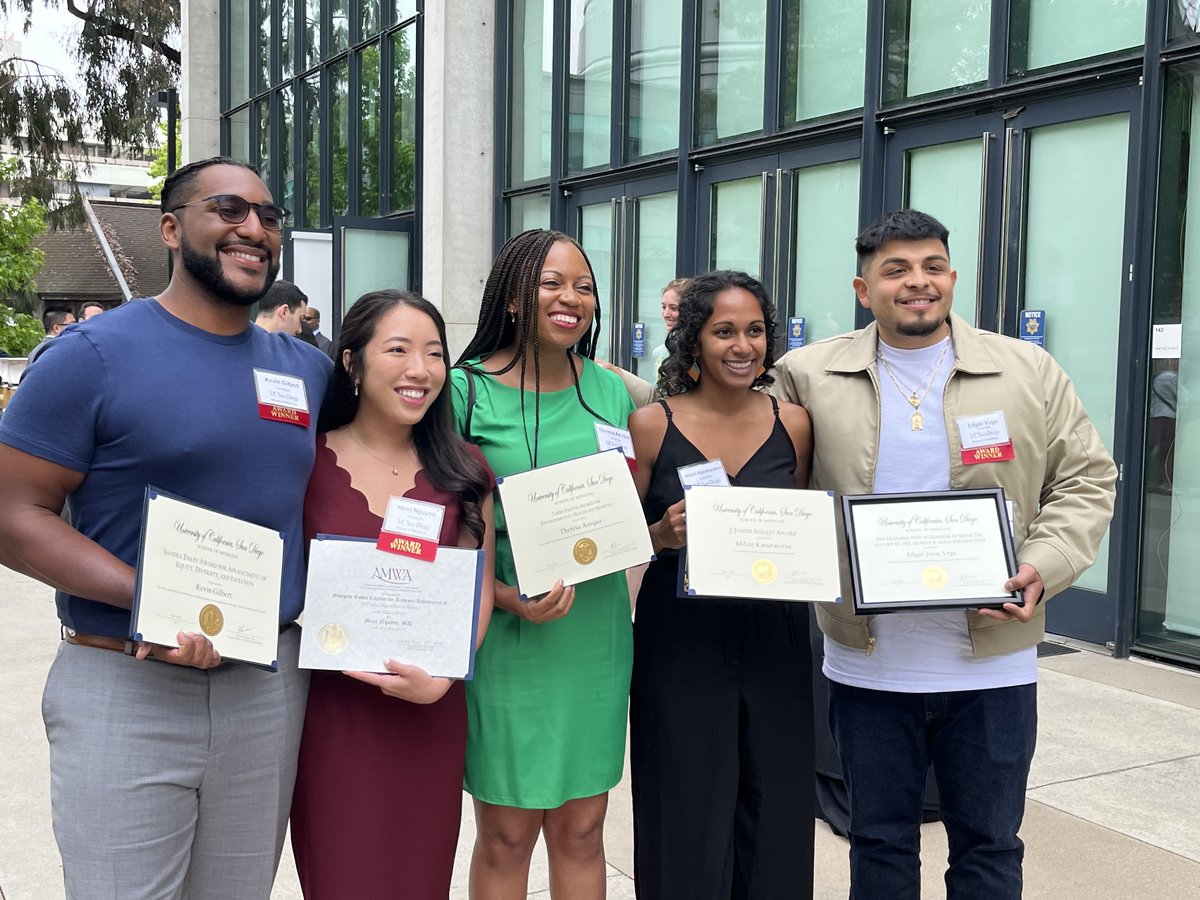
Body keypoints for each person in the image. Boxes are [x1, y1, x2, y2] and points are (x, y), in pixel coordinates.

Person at [0, 156, 331, 899]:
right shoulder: (90, 357)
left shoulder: (306, 372)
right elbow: (12, 516)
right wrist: (151, 598)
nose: (254, 229)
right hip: (126, 680)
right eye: (229, 210)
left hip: (264, 689)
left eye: (269, 217)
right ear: (172, 230)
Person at [770, 209, 1117, 899]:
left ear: (953, 278)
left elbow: (1086, 479)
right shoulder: (807, 373)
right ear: (863, 289)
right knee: (879, 844)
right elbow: (749, 458)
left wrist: (1042, 567)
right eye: (895, 270)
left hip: (993, 664)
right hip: (867, 666)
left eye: (932, 267)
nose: (917, 282)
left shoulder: (1026, 369)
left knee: (990, 846)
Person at [290, 290, 496, 898]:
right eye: (399, 350)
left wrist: (446, 674)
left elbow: (478, 586)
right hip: (332, 714)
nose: (420, 370)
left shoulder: (466, 469)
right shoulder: (303, 460)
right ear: (352, 362)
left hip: (429, 709)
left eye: (434, 353)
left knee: (420, 877)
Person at [451, 229, 636, 899]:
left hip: (595, 632)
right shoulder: (464, 391)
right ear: (511, 297)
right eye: (551, 283)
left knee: (584, 829)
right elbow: (440, 524)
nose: (571, 298)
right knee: (506, 833)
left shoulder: (612, 391)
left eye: (584, 287)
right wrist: (503, 596)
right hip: (509, 635)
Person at [627, 270, 816, 899]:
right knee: (682, 799)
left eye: (755, 331)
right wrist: (661, 534)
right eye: (724, 331)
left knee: (776, 801)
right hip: (681, 635)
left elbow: (800, 518)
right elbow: (624, 538)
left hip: (774, 633)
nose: (743, 346)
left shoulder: (794, 422)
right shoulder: (650, 425)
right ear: (694, 340)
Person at [649, 276, 690, 375]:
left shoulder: (704, 353)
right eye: (664, 307)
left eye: (673, 308)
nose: (665, 314)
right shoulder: (661, 353)